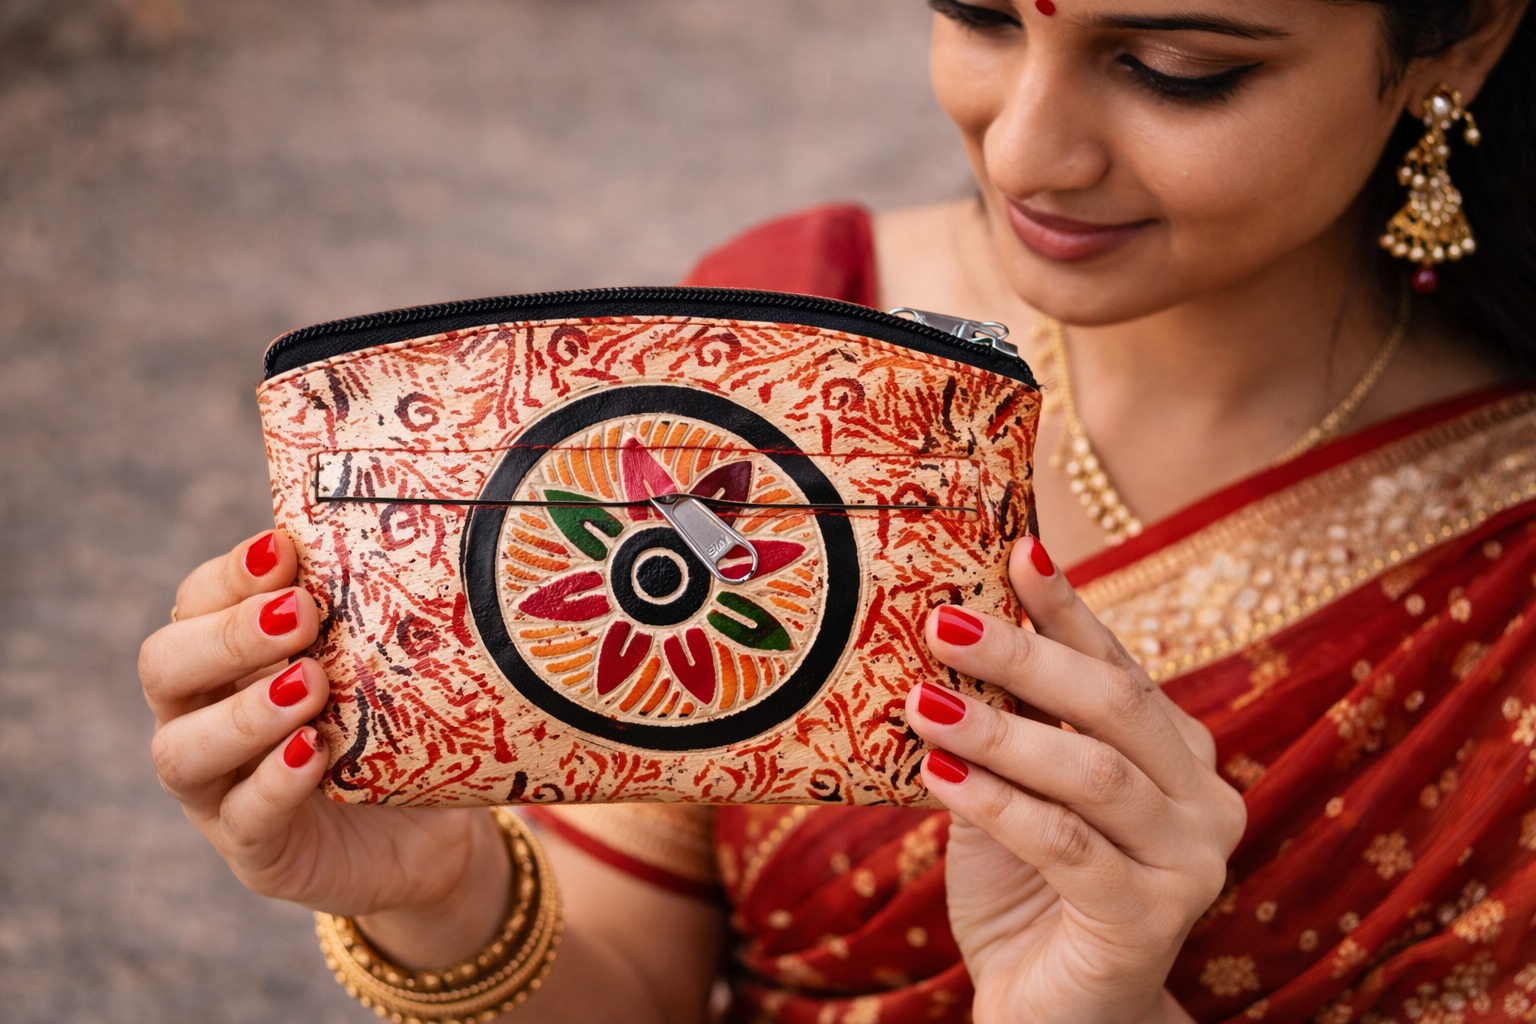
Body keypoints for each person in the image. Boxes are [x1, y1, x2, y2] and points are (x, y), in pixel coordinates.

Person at [138, 1, 1536, 1021]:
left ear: (1462, 39)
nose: (1028, 152)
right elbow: (628, 980)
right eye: (980, 16)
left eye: (1177, 69)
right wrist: (439, 897)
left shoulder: (1507, 562)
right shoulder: (790, 351)